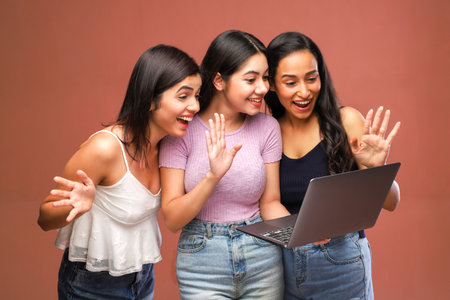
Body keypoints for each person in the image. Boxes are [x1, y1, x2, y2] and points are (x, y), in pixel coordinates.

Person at [37, 44, 201, 300]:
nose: (195, 106)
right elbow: (44, 219)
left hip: (142, 275)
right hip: (91, 283)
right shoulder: (105, 149)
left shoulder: (168, 148)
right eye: (183, 96)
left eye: (197, 96)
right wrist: (75, 206)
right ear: (149, 99)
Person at [264, 31, 401, 300]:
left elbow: (392, 202)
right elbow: (268, 203)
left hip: (342, 263)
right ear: (271, 84)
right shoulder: (268, 132)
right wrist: (300, 233)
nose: (304, 91)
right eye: (290, 82)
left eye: (311, 78)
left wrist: (376, 169)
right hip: (284, 266)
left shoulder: (346, 120)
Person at [158, 30, 290, 299]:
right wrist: (213, 176)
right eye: (251, 79)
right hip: (202, 262)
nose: (263, 88)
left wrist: (301, 233)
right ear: (219, 80)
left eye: (265, 78)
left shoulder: (267, 128)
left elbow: (270, 203)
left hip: (261, 256)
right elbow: (172, 219)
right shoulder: (182, 131)